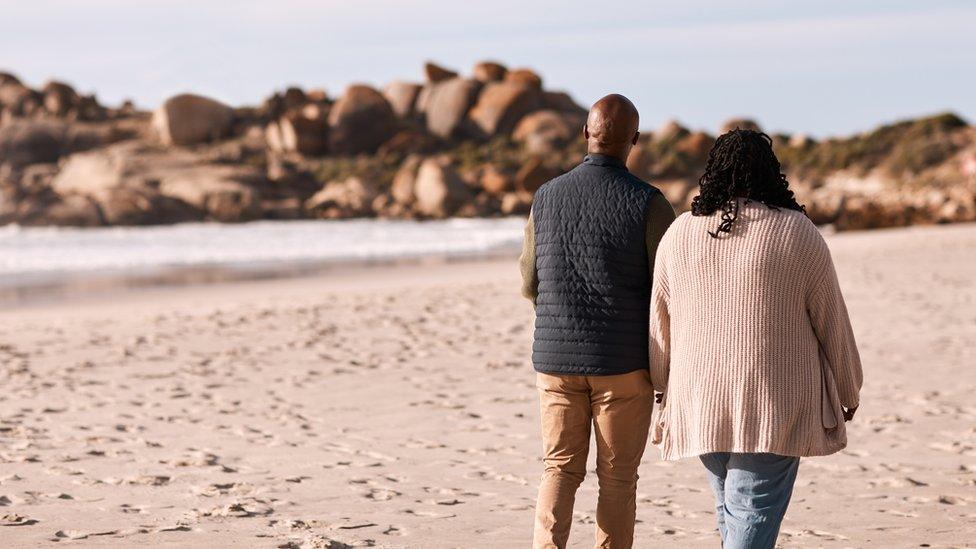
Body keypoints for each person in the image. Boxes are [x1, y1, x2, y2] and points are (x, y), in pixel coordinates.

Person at [648, 129, 863, 549]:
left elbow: (659, 322)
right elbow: (832, 320)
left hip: (699, 397)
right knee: (748, 514)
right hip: (772, 400)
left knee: (732, 511)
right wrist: (849, 386)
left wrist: (661, 388)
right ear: (772, 174)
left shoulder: (678, 235)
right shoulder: (797, 233)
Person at [519, 94, 676, 549]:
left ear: (586, 134)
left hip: (555, 361)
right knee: (619, 480)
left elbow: (530, 282)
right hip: (622, 365)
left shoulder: (545, 197)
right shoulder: (650, 204)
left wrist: (560, 321)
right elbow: (666, 293)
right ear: (635, 141)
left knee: (559, 469)